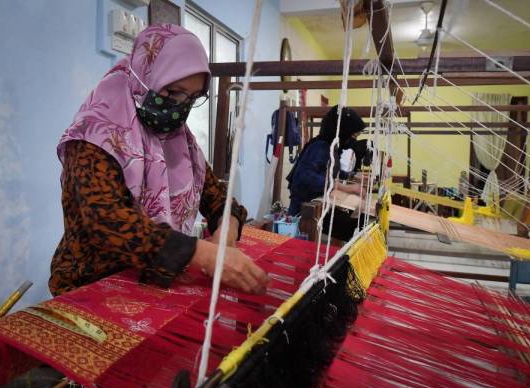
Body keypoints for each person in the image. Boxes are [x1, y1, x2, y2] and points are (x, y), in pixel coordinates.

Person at [49, 24, 269, 297]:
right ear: (146, 78)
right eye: (173, 93)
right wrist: (205, 255)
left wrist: (226, 234)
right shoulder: (94, 136)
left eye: (191, 98)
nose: (180, 108)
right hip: (90, 285)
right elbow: (106, 223)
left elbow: (217, 199)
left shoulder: (179, 139)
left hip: (151, 285)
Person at [287, 105, 366, 241]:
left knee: (356, 220)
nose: (353, 140)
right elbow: (307, 178)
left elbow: (331, 170)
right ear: (342, 131)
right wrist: (344, 187)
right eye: (352, 135)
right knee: (347, 225)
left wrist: (352, 176)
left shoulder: (332, 147)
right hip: (305, 210)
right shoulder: (320, 147)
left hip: (319, 204)